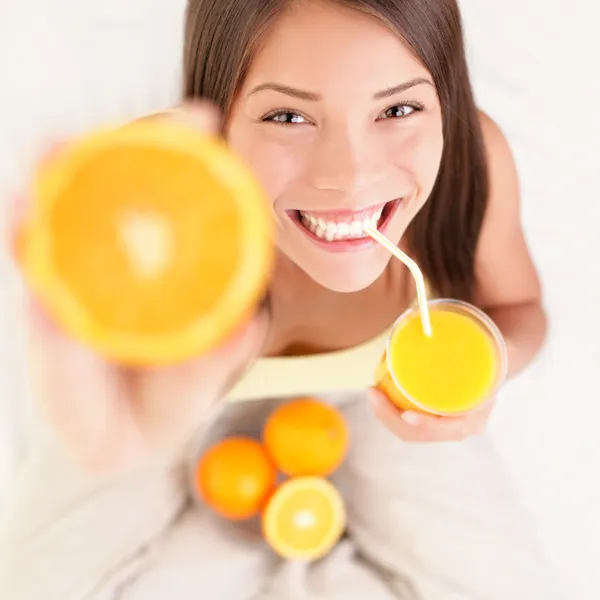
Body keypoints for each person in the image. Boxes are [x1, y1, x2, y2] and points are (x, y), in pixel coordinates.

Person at [0, 0, 563, 598]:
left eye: (398, 108)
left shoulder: (476, 159)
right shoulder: (160, 186)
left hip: (378, 399)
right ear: (218, 119)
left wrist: (483, 375)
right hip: (171, 401)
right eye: (288, 117)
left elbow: (520, 311)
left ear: (445, 101)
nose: (348, 178)